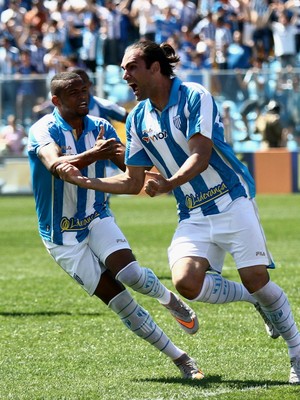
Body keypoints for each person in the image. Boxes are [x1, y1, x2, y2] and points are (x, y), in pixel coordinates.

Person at [56, 41, 300, 385]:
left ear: (155, 68)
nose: (125, 75)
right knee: (186, 283)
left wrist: (168, 183)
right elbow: (132, 181)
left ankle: (297, 353)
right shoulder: (138, 116)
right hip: (192, 213)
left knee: (256, 278)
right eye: (124, 70)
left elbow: (200, 155)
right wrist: (85, 182)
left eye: (131, 67)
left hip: (232, 199)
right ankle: (255, 301)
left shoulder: (194, 95)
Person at [27, 71, 204, 380]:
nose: (83, 96)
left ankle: (170, 301)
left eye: (85, 90)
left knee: (131, 273)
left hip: (97, 216)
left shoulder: (101, 127)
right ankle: (180, 358)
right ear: (56, 100)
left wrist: (152, 172)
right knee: (121, 302)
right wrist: (96, 154)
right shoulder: (43, 130)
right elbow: (57, 167)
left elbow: (129, 166)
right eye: (74, 93)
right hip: (61, 234)